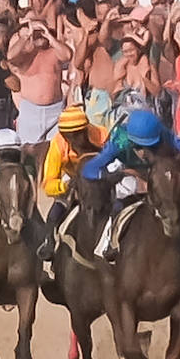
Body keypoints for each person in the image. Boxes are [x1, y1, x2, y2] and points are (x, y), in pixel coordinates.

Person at [80, 109, 180, 261]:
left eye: (151, 146)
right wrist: (107, 176)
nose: (145, 153)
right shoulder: (119, 141)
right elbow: (89, 169)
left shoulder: (165, 136)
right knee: (120, 200)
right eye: (139, 147)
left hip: (158, 175)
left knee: (174, 197)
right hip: (128, 173)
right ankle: (110, 243)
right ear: (131, 141)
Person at [37, 107, 109, 259]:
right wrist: (65, 186)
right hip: (72, 181)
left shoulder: (102, 135)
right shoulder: (57, 144)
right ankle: (49, 241)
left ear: (86, 129)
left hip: (102, 180)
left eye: (78, 135)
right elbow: (48, 183)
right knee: (54, 215)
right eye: (69, 137)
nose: (75, 141)